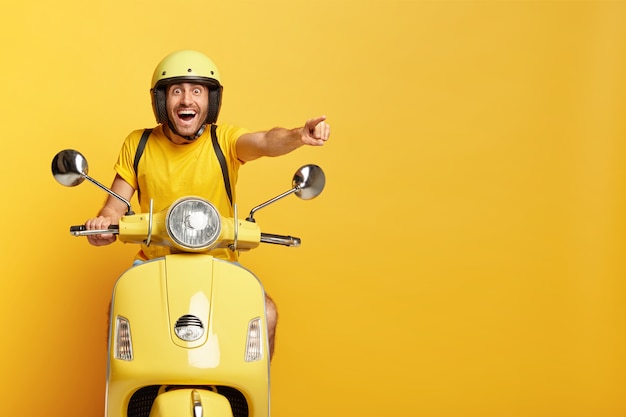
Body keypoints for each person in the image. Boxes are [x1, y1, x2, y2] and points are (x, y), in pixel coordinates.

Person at [85, 49, 330, 359]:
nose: (187, 100)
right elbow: (113, 208)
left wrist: (298, 135)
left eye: (197, 91)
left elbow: (266, 141)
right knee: (121, 308)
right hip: (152, 264)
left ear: (210, 101)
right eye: (177, 91)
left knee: (266, 314)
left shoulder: (223, 140)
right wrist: (102, 225)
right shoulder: (139, 143)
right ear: (162, 101)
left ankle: (253, 401)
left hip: (220, 265)